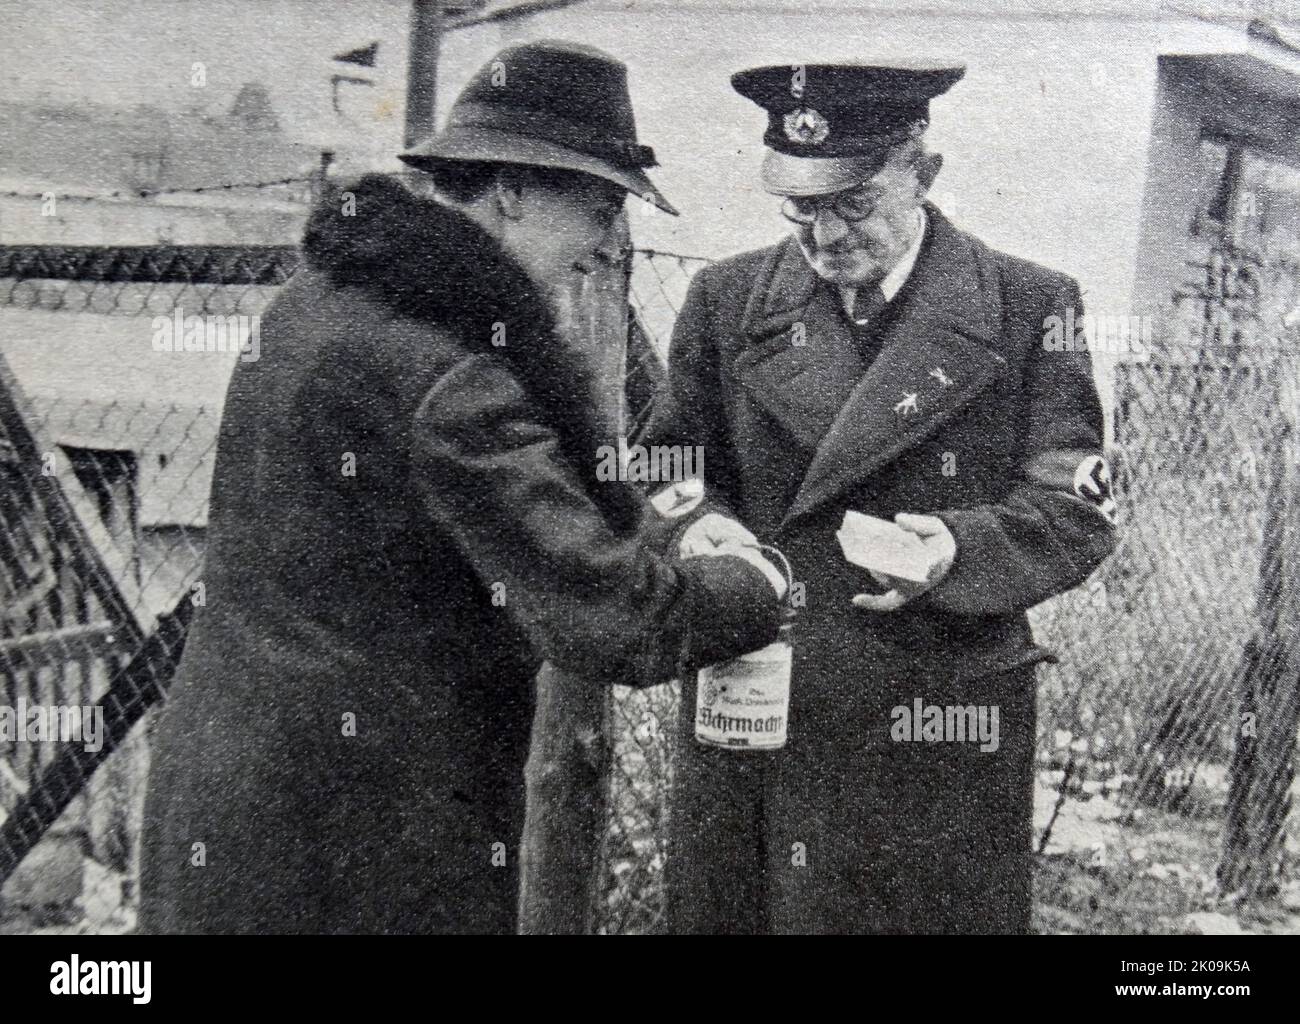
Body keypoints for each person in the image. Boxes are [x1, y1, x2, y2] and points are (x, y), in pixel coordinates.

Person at [140, 40, 783, 935]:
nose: (608, 244)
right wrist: (762, 584)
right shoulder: (455, 380)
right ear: (513, 190)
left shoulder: (317, 301)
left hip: (230, 795)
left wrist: (663, 527)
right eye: (599, 206)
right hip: (365, 840)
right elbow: (620, 622)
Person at [644, 61, 1119, 933]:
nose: (823, 235)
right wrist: (700, 528)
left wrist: (955, 550)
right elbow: (663, 465)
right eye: (799, 206)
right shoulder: (724, 301)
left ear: (923, 174)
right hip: (761, 698)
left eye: (853, 203)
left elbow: (1074, 504)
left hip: (935, 720)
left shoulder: (1030, 305)